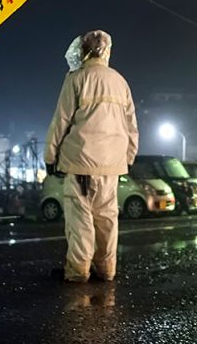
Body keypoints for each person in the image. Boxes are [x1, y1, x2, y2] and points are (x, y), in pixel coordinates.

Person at [44, 31, 138, 283]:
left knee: (80, 218)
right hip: (112, 165)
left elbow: (60, 121)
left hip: (81, 162)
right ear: (107, 51)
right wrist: (127, 158)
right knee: (107, 218)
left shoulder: (76, 79)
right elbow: (131, 126)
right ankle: (107, 269)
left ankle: (78, 271)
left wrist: (50, 155)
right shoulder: (120, 81)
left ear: (83, 51)